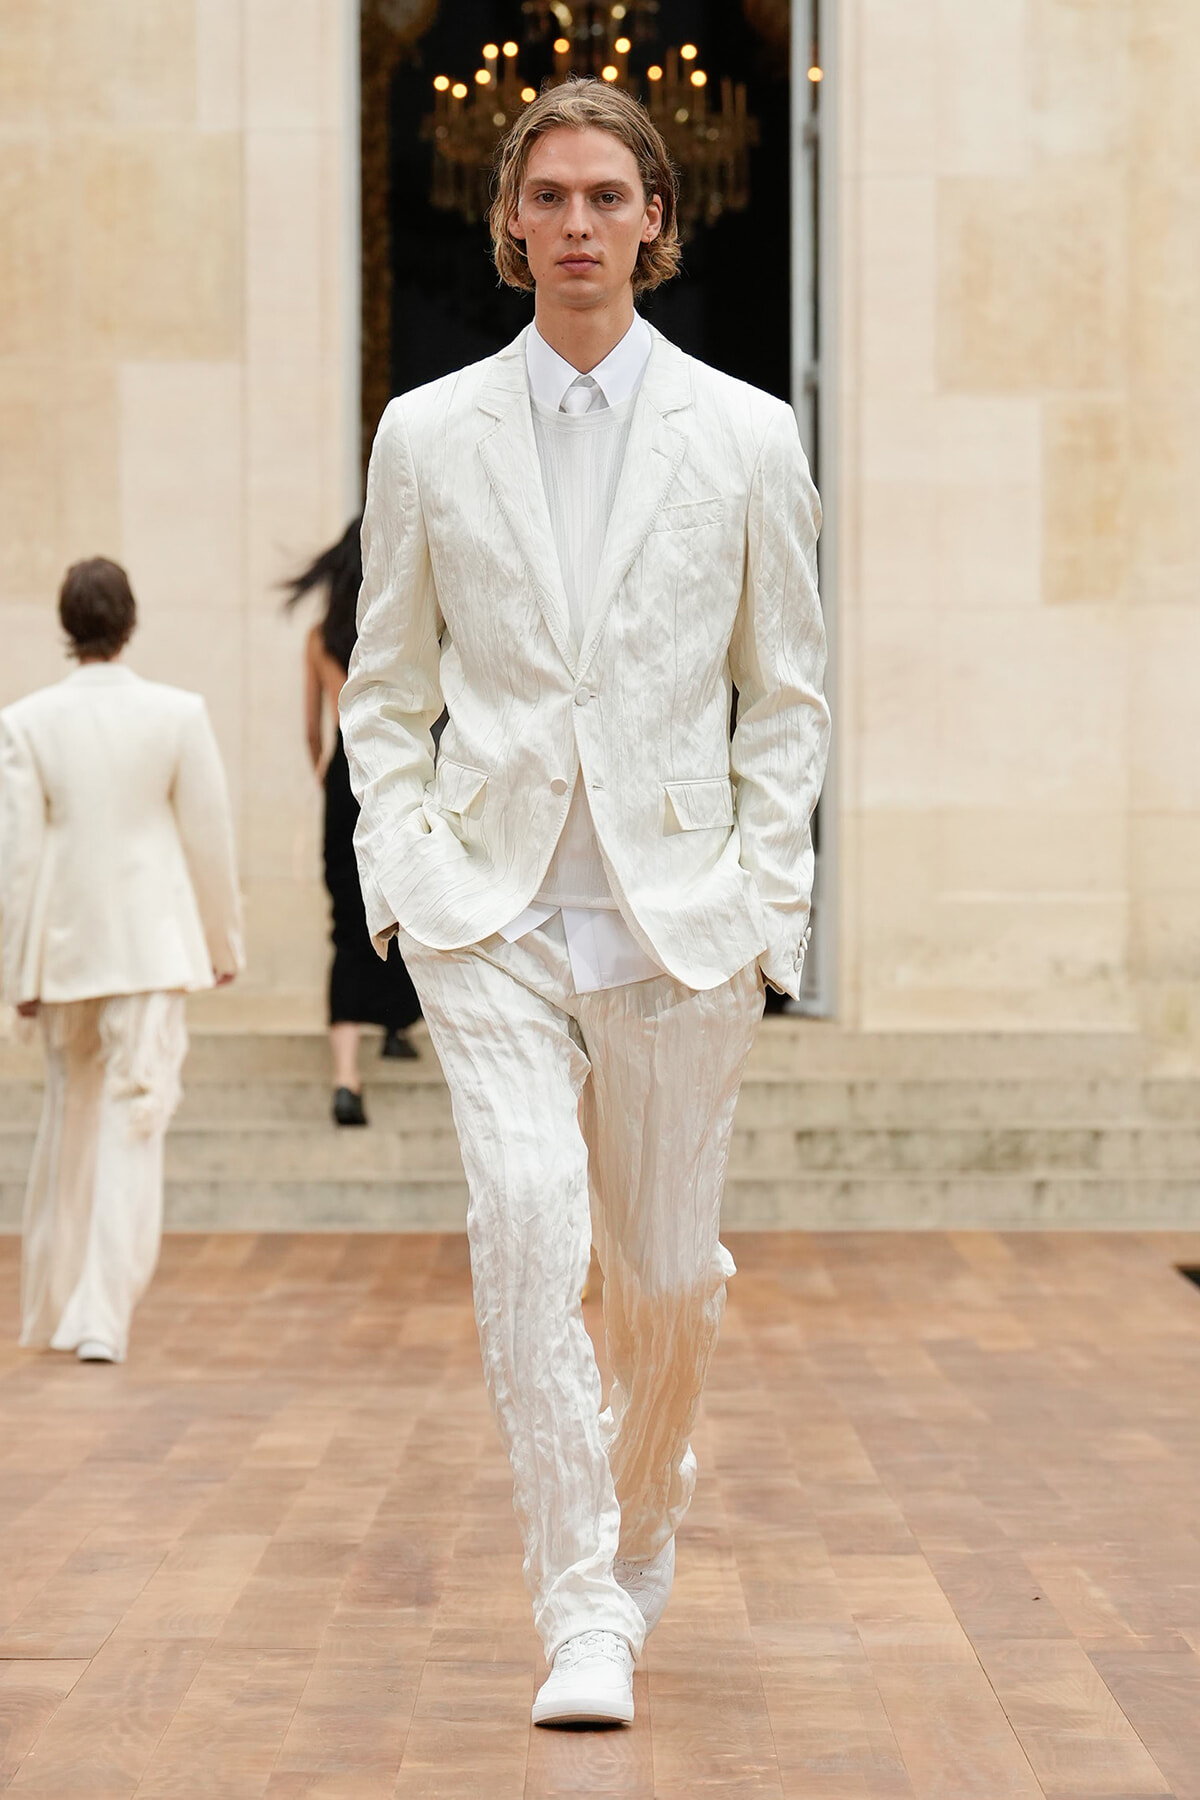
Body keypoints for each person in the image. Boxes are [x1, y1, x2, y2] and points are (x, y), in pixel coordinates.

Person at [340, 79, 829, 1726]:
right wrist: (404, 872)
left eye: (605, 196)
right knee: (529, 1226)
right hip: (489, 913)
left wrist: (769, 900)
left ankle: (641, 1526)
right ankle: (579, 1607)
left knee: (667, 1282)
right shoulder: (425, 434)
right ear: (507, 225)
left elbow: (791, 699)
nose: (574, 224)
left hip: (682, 920)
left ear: (655, 223)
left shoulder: (751, 439)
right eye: (545, 196)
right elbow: (384, 687)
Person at [0, 557, 243, 1364]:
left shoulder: (28, 720)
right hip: (147, 948)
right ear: (129, 621)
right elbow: (210, 840)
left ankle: (69, 1307)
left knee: (70, 1128)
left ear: (69, 629)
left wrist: (16, 977)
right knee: (131, 1127)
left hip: (66, 949)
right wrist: (221, 944)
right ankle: (99, 1315)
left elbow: (18, 862)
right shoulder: (177, 714)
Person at [286, 522, 423, 1127]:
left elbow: (312, 731)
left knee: (346, 921)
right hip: (392, 773)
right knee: (402, 902)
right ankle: (396, 1024)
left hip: (343, 778)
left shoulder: (320, 639)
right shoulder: (390, 633)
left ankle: (346, 1076)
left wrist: (325, 776)